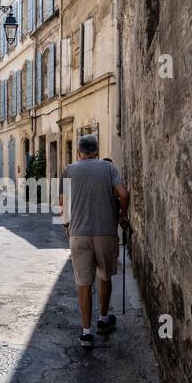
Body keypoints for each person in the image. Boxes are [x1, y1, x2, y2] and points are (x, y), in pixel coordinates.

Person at [59, 134, 128, 347]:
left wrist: (67, 225)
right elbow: (124, 194)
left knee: (83, 283)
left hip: (79, 233)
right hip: (105, 231)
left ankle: (86, 332)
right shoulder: (108, 169)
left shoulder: (69, 170)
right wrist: (122, 216)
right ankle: (104, 319)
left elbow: (62, 202)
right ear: (97, 151)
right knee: (105, 276)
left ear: (79, 152)